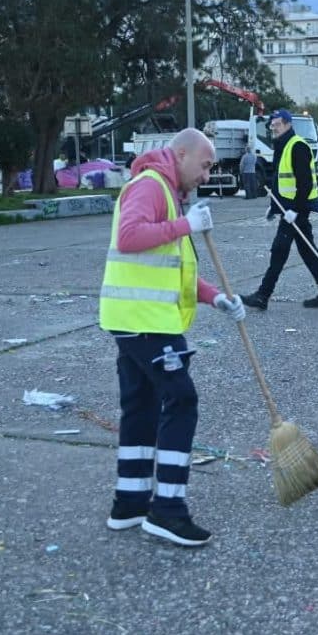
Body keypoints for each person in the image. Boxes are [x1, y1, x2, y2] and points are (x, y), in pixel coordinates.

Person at [98, 127, 246, 547]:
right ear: (180, 154)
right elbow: (130, 238)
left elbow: (172, 269)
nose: (207, 175)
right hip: (146, 322)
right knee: (182, 400)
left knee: (141, 408)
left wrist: (216, 297)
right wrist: (185, 225)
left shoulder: (166, 191)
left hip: (135, 319)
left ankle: (129, 503)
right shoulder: (150, 186)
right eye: (205, 165)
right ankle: (167, 510)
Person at [240, 109, 318, 310]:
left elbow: (305, 184)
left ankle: (263, 295)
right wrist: (274, 207)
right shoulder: (282, 145)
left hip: (296, 209)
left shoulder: (297, 146)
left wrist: (296, 211)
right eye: (272, 125)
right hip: (288, 209)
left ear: (287, 124)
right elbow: (280, 181)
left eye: (277, 124)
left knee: (279, 251)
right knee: (308, 251)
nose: (273, 128)